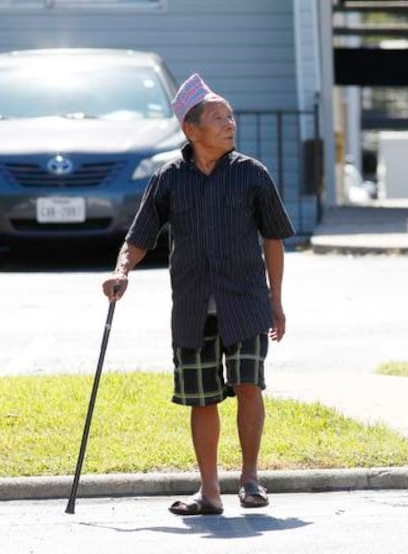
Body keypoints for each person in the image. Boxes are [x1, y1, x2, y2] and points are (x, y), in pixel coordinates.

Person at [101, 73, 295, 516]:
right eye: (219, 117)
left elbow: (274, 239)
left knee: (249, 385)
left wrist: (276, 300)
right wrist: (121, 272)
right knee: (201, 398)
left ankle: (250, 479)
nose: (230, 123)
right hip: (191, 308)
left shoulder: (252, 175)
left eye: (231, 115)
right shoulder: (169, 179)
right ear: (191, 129)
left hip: (244, 302)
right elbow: (140, 234)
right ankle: (209, 492)